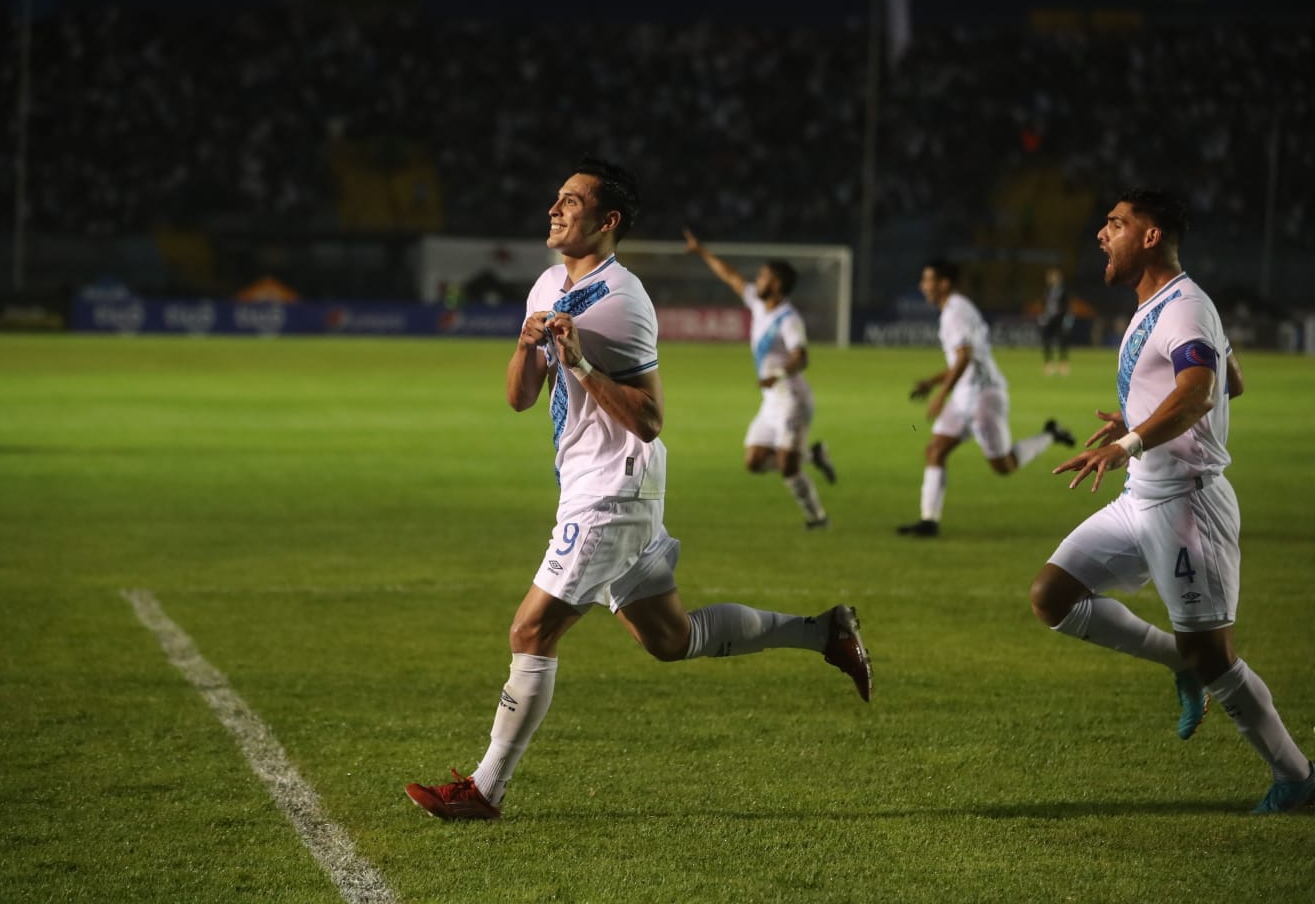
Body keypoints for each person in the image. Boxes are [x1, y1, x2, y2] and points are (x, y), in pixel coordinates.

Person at [404, 158, 873, 821]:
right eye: (557, 198)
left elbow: (650, 421)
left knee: (530, 630)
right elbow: (518, 398)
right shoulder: (545, 285)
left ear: (607, 220)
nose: (555, 209)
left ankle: (484, 789)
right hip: (592, 486)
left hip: (613, 490)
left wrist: (582, 363)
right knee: (670, 639)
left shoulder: (622, 301)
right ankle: (823, 632)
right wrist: (524, 345)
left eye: (571, 201)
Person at [1030, 188, 1313, 814]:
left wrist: (1131, 438)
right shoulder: (1162, 306)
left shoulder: (1182, 306)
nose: (1102, 235)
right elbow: (1231, 379)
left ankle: (1296, 776)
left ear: (1150, 236)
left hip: (1187, 506)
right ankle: (1178, 666)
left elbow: (1201, 392)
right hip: (1144, 496)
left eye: (1114, 224)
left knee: (1214, 654)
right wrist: (1136, 416)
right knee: (1053, 595)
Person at [898, 258, 1075, 537]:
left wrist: (940, 395)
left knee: (1004, 466)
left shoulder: (954, 313)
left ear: (943, 284)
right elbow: (964, 359)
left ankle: (1050, 435)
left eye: (927, 280)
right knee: (935, 450)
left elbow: (965, 357)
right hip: (964, 395)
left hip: (983, 397)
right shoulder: (956, 308)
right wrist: (932, 383)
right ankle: (929, 521)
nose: (923, 286)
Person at [682, 228, 835, 529]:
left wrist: (777, 374)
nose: (757, 280)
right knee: (754, 461)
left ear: (776, 285)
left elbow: (801, 357)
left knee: (789, 469)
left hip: (791, 398)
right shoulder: (757, 301)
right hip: (771, 400)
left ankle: (818, 518)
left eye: (764, 276)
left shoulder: (789, 319)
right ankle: (813, 455)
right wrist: (702, 252)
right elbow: (731, 276)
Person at [1039, 266, 1073, 375]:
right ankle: (1048, 363)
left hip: (1060, 319)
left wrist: (1066, 318)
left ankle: (1063, 364)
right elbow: (1044, 304)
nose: (1051, 279)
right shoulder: (1047, 291)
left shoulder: (1063, 291)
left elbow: (1067, 305)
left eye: (1053, 277)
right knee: (1046, 341)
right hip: (1049, 319)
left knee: (1063, 341)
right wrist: (1044, 316)